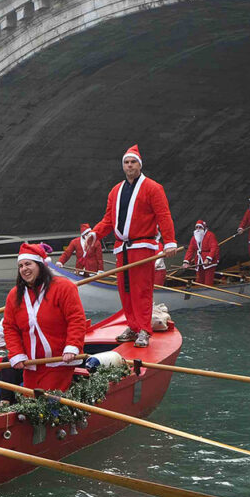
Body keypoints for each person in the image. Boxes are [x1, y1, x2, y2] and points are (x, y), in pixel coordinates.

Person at [84, 144, 177, 348]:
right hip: (122, 249)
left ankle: (144, 329)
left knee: (141, 289)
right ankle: (133, 326)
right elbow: (109, 219)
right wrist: (95, 233)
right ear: (123, 166)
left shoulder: (153, 188)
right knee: (124, 290)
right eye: (126, 162)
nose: (129, 166)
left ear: (139, 165)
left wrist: (169, 242)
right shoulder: (116, 190)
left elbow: (163, 215)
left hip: (143, 247)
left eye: (133, 162)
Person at [2, 243, 87, 392]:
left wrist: (72, 347)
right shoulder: (14, 295)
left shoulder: (64, 287)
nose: (24, 269)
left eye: (28, 264)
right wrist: (16, 353)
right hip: (32, 363)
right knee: (31, 402)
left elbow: (76, 319)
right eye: (20, 266)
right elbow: (10, 327)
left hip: (60, 361)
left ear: (41, 265)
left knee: (45, 404)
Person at [183, 220, 220, 285]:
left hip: (209, 262)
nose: (198, 229)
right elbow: (190, 250)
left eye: (200, 227)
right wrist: (186, 262)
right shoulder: (194, 238)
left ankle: (207, 292)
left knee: (208, 280)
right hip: (199, 261)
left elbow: (214, 248)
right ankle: (199, 291)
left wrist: (208, 258)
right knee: (199, 280)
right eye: (196, 227)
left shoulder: (210, 235)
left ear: (204, 228)